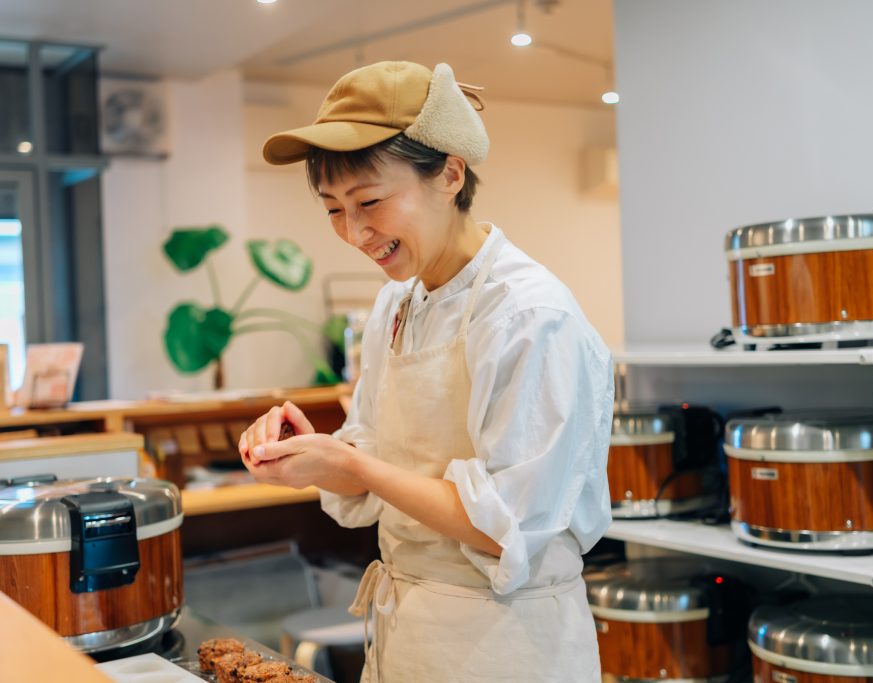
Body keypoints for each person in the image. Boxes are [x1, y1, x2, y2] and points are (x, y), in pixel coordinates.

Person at [239, 60, 613, 682]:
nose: (355, 232)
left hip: (507, 643)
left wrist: (355, 465)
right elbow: (381, 460)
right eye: (333, 208)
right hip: (410, 631)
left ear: (450, 174)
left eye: (371, 201)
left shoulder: (528, 313)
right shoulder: (398, 300)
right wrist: (315, 455)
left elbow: (506, 529)